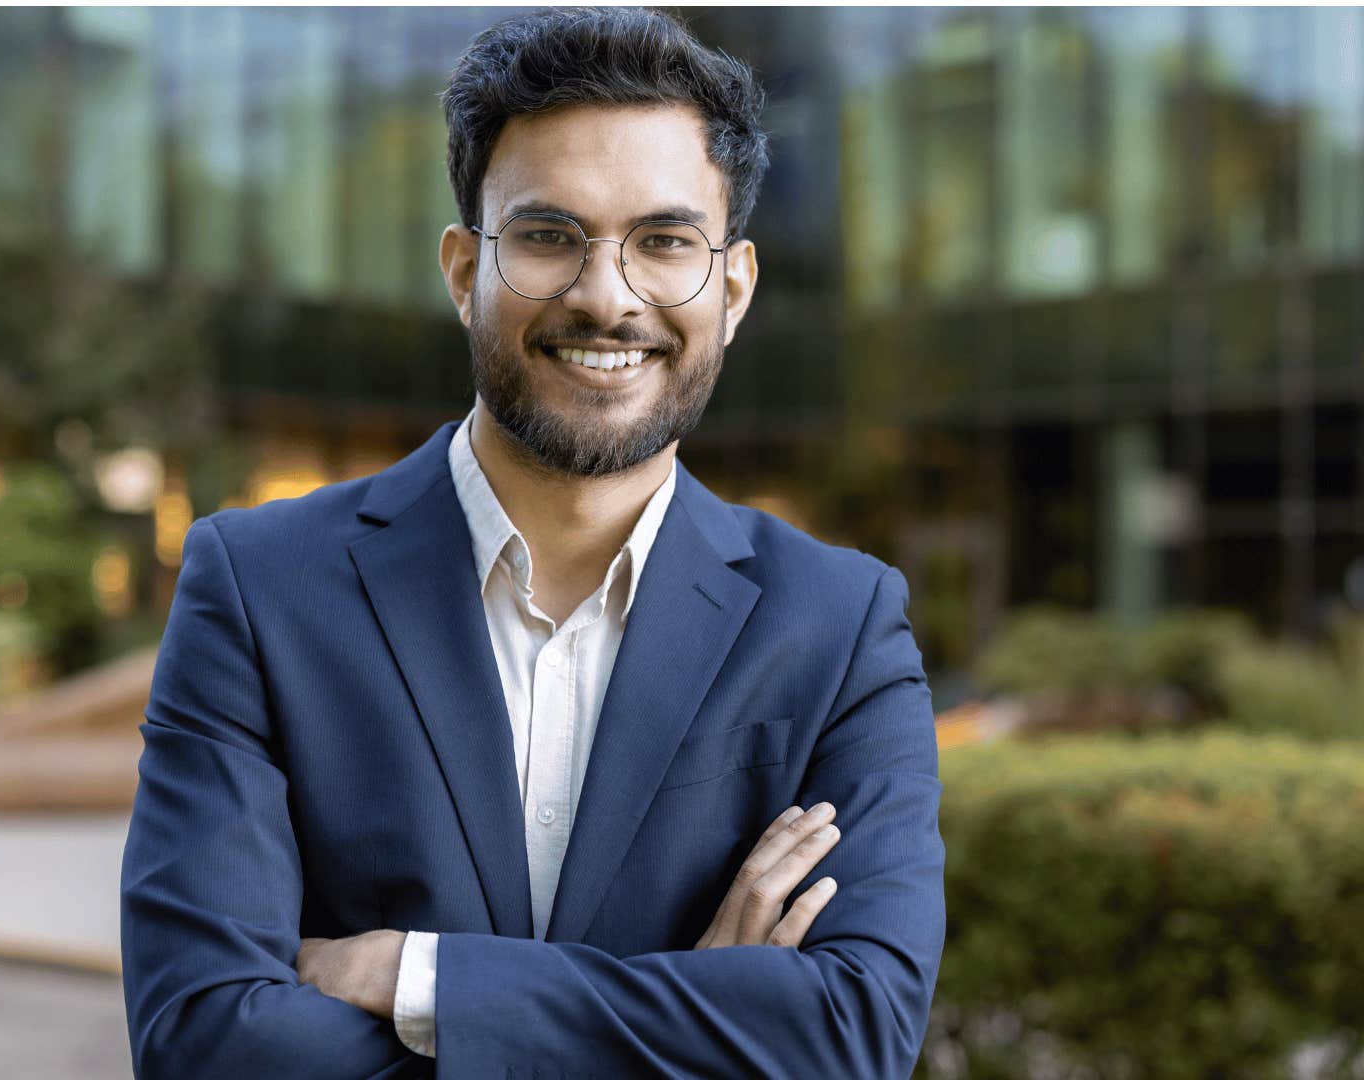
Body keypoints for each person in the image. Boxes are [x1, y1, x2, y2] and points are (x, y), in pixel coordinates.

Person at [120, 8, 945, 1077]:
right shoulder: (258, 588)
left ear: (731, 289)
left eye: (665, 242)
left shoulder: (840, 625)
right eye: (551, 237)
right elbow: (204, 1046)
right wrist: (699, 1017)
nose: (608, 298)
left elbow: (850, 1032)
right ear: (466, 271)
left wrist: (421, 981)